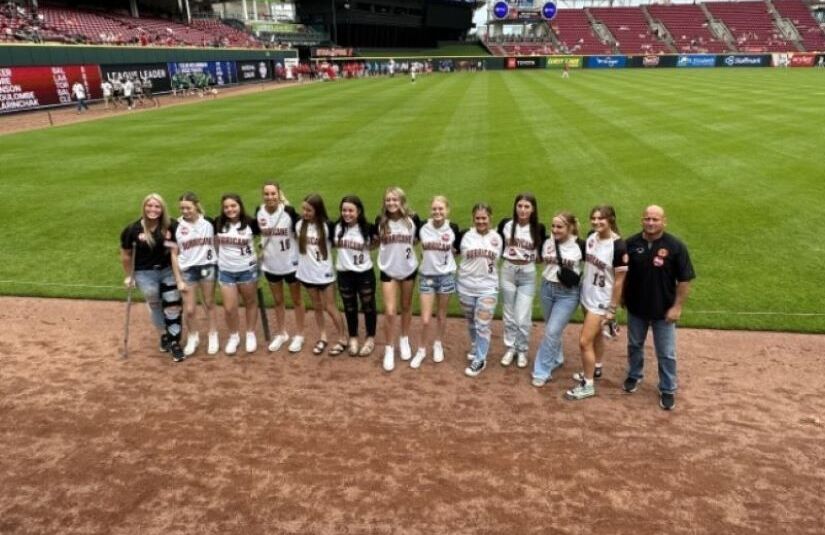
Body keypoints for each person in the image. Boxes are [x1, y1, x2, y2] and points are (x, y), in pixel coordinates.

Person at [622, 205, 695, 411]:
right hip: (636, 308)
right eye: (647, 219)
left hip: (664, 311)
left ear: (664, 221)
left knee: (666, 352)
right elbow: (622, 273)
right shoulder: (631, 243)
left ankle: (668, 387)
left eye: (655, 219)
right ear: (642, 220)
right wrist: (622, 297)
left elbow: (685, 280)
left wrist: (677, 307)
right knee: (634, 345)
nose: (651, 223)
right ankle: (634, 375)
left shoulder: (676, 246)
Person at [566, 205, 628, 401]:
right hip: (587, 294)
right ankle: (597, 367)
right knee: (596, 337)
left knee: (584, 341)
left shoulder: (618, 246)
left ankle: (588, 384)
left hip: (601, 301)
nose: (596, 222)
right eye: (593, 218)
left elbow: (619, 280)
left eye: (601, 219)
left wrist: (611, 309)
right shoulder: (592, 238)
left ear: (611, 220)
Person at [119, 194, 185, 362]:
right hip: (144, 273)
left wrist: (178, 278)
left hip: (167, 271)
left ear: (162, 209)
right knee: (155, 304)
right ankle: (163, 334)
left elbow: (174, 251)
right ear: (144, 207)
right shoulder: (133, 230)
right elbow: (126, 255)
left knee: (173, 306)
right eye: (150, 206)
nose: (153, 210)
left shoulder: (170, 226)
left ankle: (174, 342)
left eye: (157, 207)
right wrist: (129, 276)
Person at [531, 211, 584, 387]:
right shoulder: (548, 242)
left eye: (559, 227)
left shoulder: (580, 245)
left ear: (569, 228)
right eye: (553, 226)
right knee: (552, 329)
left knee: (552, 331)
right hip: (547, 288)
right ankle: (558, 357)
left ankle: (541, 370)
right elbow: (541, 261)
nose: (555, 230)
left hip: (567, 294)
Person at [256, 182, 306, 353]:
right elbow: (258, 233)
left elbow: (303, 229)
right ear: (263, 195)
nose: (270, 197)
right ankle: (282, 333)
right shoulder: (259, 211)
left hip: (290, 263)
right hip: (271, 265)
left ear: (279, 194)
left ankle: (299, 334)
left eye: (273, 193)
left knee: (297, 300)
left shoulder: (289, 212)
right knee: (278, 301)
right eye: (267, 194)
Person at [375, 187, 421, 372]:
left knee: (406, 306)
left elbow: (417, 240)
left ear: (402, 201)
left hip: (408, 268)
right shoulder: (380, 221)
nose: (391, 203)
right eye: (388, 200)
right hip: (388, 270)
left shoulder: (413, 219)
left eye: (395, 200)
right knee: (390, 311)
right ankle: (388, 348)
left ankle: (404, 339)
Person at [498, 193, 545, 369]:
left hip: (527, 273)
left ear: (533, 209)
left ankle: (523, 349)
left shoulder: (538, 228)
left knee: (523, 316)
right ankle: (511, 348)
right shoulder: (506, 224)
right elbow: (496, 243)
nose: (523, 210)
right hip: (508, 271)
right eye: (520, 206)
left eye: (527, 206)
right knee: (509, 313)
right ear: (515, 207)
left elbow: (541, 253)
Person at [411, 196, 460, 369]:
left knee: (441, 314)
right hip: (427, 276)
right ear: (430, 210)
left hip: (446, 276)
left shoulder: (453, 228)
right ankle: (421, 349)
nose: (437, 212)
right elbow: (413, 239)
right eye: (434, 209)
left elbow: (457, 250)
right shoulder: (423, 227)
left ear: (447, 210)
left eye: (441, 209)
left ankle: (438, 343)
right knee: (425, 319)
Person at [295, 194, 347, 356]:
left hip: (324, 273)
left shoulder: (328, 227)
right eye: (303, 209)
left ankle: (342, 338)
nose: (305, 213)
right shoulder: (298, 225)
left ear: (317, 210)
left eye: (309, 210)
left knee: (330, 306)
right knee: (317, 306)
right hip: (306, 273)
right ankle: (323, 336)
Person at [170, 192, 219, 357]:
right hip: (188, 270)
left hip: (207, 266)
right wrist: (178, 278)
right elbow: (173, 253)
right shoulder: (174, 225)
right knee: (189, 309)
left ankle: (213, 334)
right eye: (182, 208)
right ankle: (193, 336)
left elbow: (217, 243)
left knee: (209, 303)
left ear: (196, 206)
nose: (185, 211)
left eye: (188, 208)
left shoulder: (210, 222)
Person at [459, 203, 503, 378]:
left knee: (483, 323)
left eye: (484, 218)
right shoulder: (466, 236)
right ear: (473, 219)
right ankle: (476, 345)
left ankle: (480, 359)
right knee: (471, 321)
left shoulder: (497, 238)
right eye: (477, 218)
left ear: (490, 218)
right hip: (466, 285)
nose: (481, 221)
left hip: (488, 286)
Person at [214, 193, 261, 355]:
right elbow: (215, 243)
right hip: (226, 271)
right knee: (229, 308)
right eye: (226, 207)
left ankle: (250, 333)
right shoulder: (218, 223)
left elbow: (268, 235)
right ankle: (234, 336)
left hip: (247, 270)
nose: (230, 209)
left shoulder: (250, 223)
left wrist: (260, 255)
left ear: (240, 206)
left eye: (233, 206)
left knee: (250, 302)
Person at [334, 195, 378, 357]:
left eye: (351, 210)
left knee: (368, 306)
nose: (347, 214)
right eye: (344, 210)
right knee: (349, 306)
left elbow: (377, 242)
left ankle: (370, 338)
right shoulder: (336, 227)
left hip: (364, 274)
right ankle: (353, 337)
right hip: (344, 274)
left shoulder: (368, 228)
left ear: (358, 211)